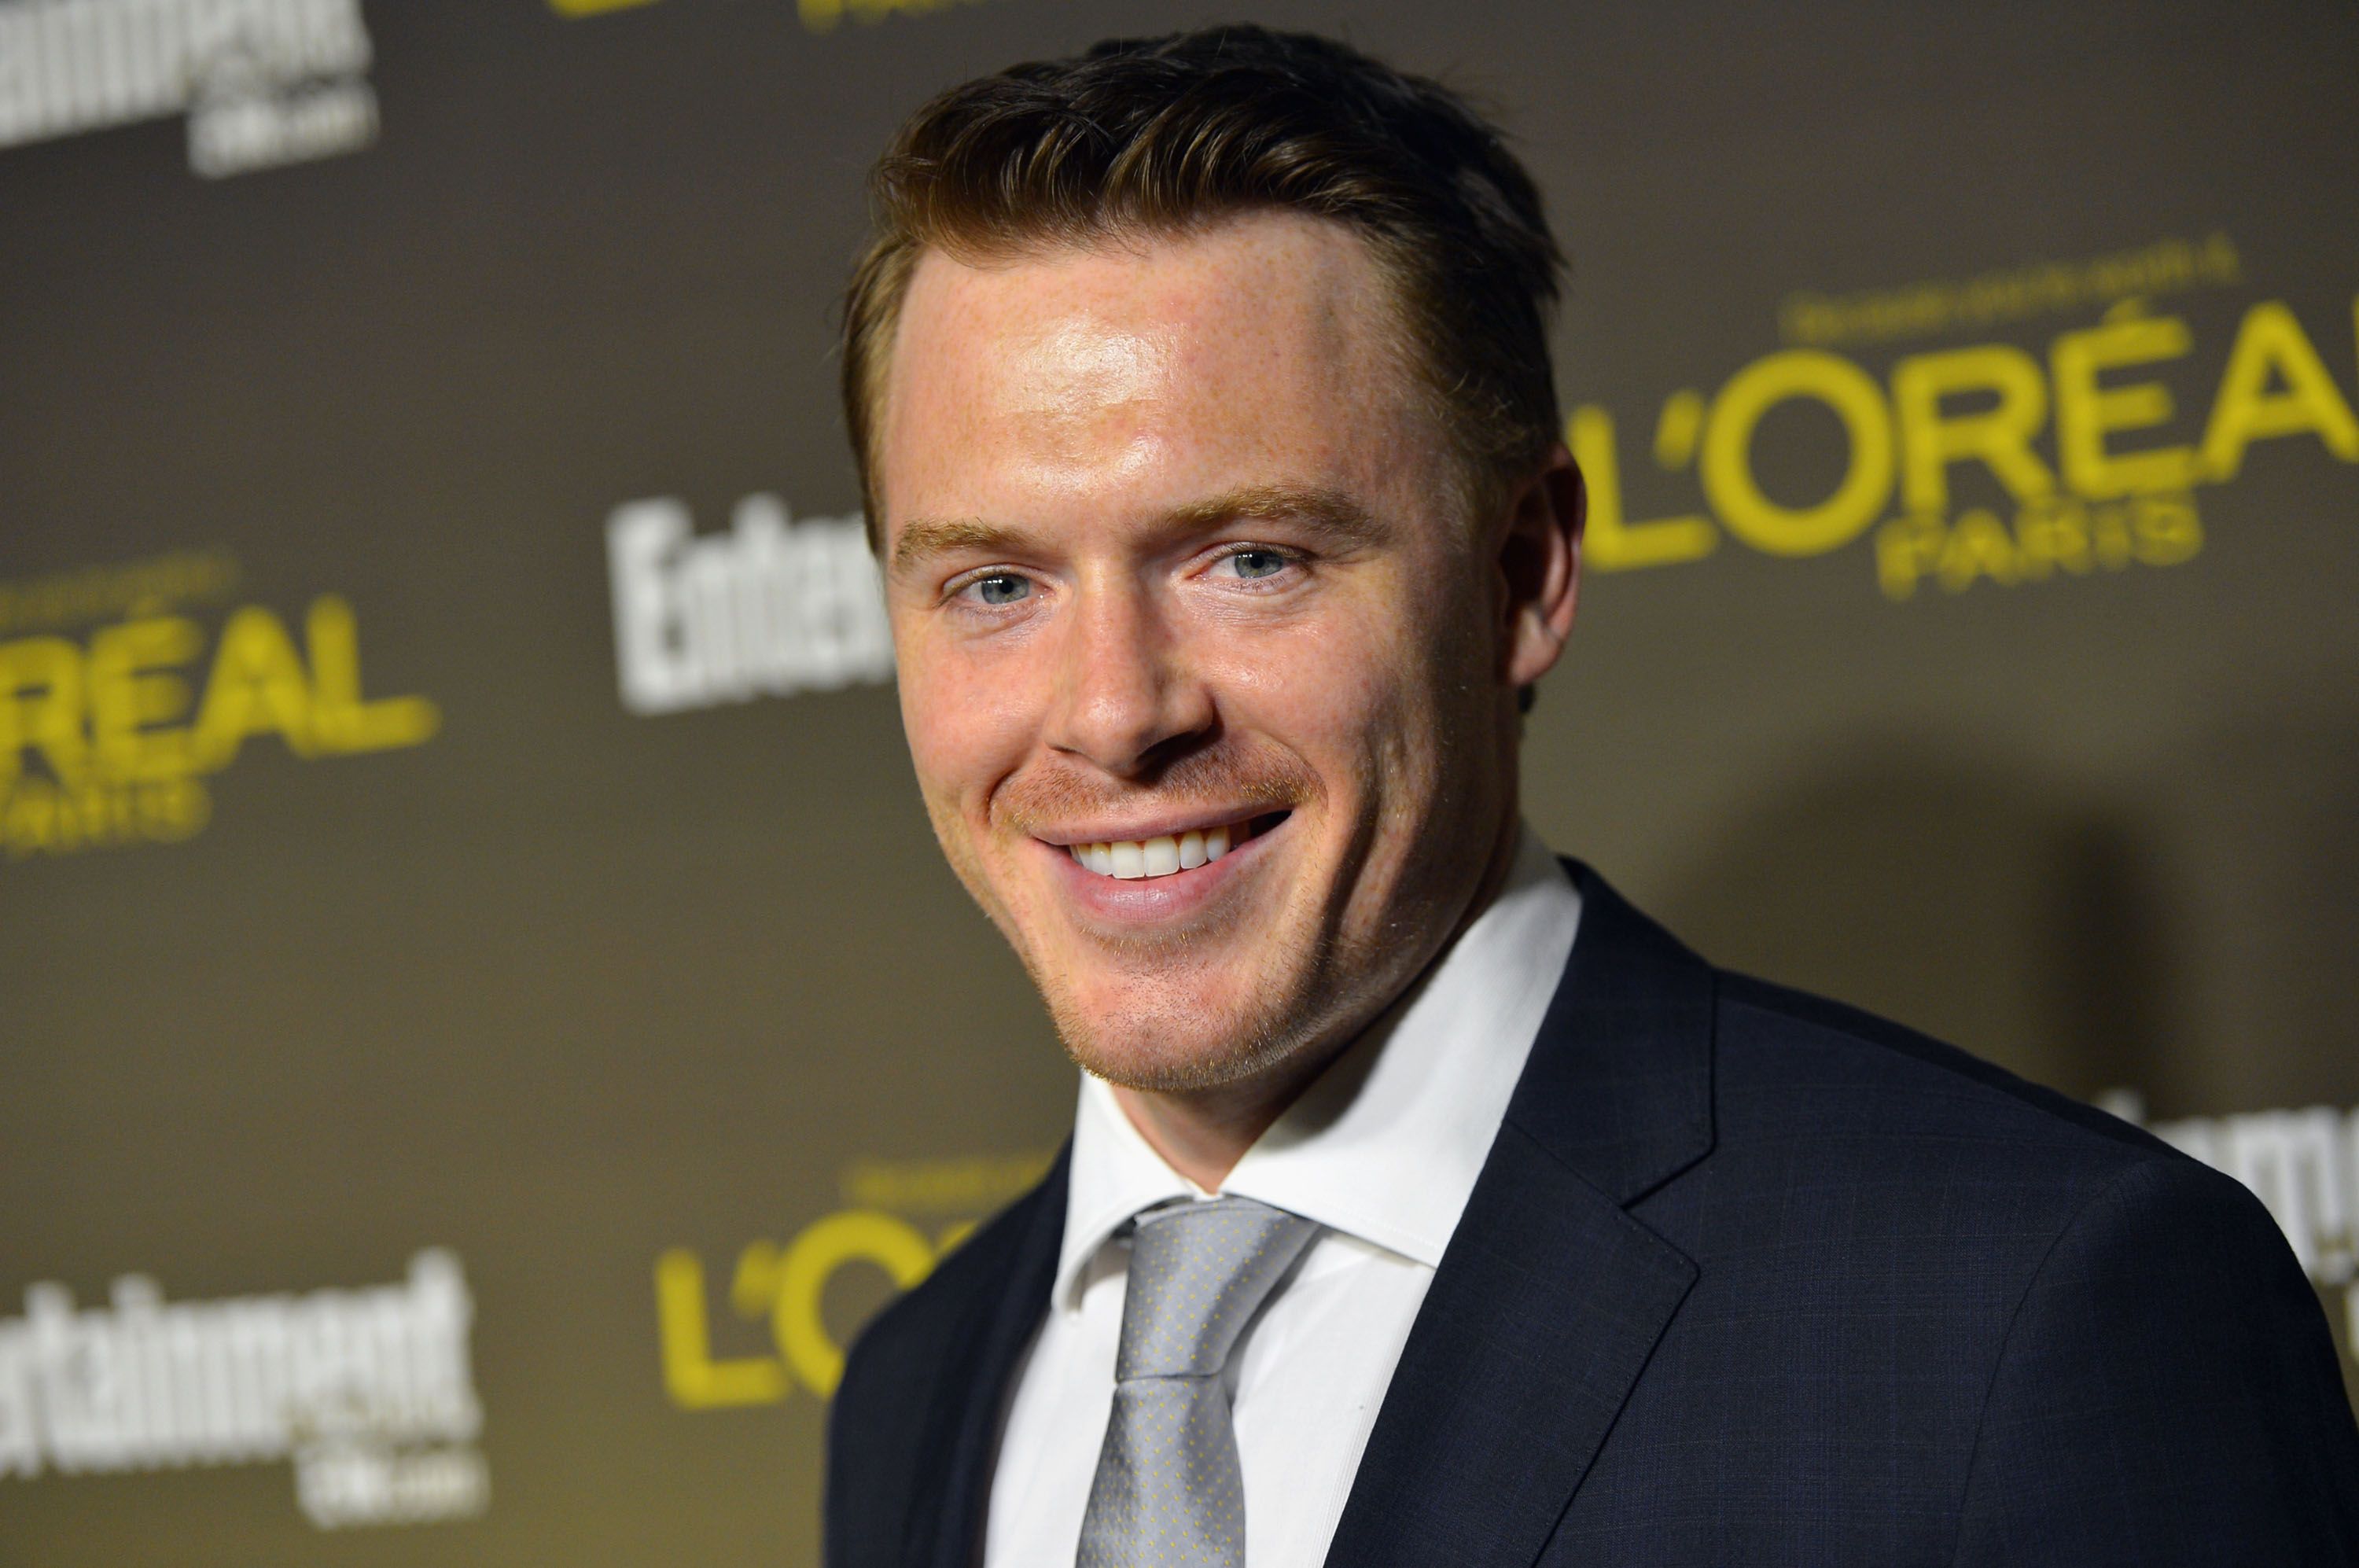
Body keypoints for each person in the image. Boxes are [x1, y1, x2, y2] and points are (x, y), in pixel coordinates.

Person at [823, 24, 2359, 1566]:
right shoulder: (915, 1389)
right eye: (997, 581)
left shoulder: (2033, 1309)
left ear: (1525, 571)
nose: (1113, 711)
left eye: (1252, 560)